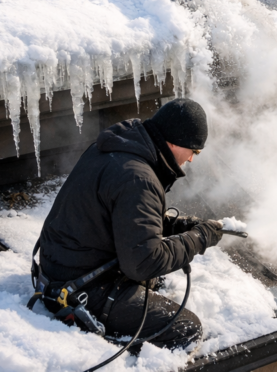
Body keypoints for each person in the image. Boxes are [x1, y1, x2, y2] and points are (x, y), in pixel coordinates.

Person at [34, 98, 223, 351]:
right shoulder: (138, 179)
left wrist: (178, 226)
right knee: (186, 330)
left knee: (157, 284)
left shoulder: (119, 150)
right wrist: (199, 238)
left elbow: (122, 216)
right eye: (194, 151)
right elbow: (145, 263)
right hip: (80, 289)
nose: (191, 159)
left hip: (60, 268)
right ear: (175, 142)